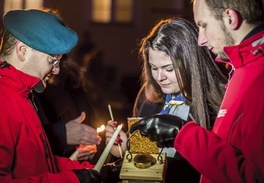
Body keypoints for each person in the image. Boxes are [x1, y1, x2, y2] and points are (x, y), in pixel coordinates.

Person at [130, 0, 264, 182]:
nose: (201, 40)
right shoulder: (239, 69)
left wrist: (182, 133)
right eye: (154, 68)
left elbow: (254, 176)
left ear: (230, 18)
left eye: (203, 25)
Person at [105, 17, 229, 182]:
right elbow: (145, 163)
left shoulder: (217, 104)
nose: (159, 77)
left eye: (169, 68)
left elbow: (220, 166)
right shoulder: (150, 96)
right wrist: (125, 149)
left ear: (190, 63)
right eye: (153, 68)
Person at [0, 9, 104, 182]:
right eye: (52, 61)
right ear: (23, 51)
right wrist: (73, 179)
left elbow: (40, 162)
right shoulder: (4, 99)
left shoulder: (23, 94)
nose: (56, 70)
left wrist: (89, 170)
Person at [34, 54, 99, 162]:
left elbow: (90, 123)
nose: (56, 70)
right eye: (52, 60)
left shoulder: (72, 80)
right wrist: (62, 134)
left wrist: (90, 148)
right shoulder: (32, 90)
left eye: (58, 61)